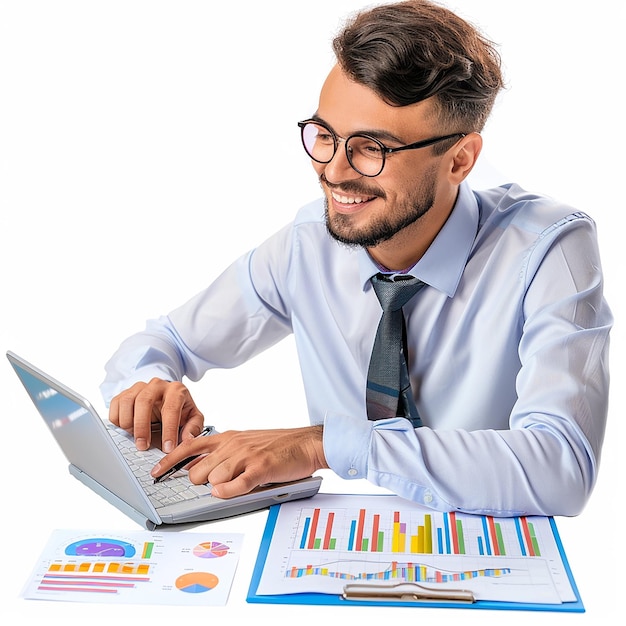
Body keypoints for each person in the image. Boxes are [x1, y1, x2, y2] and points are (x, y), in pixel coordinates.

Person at [100, 0, 612, 517]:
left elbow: (561, 469)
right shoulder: (307, 244)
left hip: (489, 555)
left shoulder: (547, 249)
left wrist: (323, 445)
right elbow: (162, 342)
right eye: (325, 136)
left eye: (373, 148)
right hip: (332, 549)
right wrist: (147, 389)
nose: (336, 171)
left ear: (459, 159)